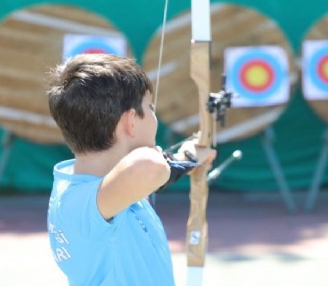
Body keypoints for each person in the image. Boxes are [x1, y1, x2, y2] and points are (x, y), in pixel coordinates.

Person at [46, 53, 216, 286]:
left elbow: (141, 176)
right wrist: (170, 160)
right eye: (150, 107)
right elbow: (149, 168)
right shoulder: (80, 202)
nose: (154, 116)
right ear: (131, 122)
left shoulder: (101, 185)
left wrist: (187, 158)